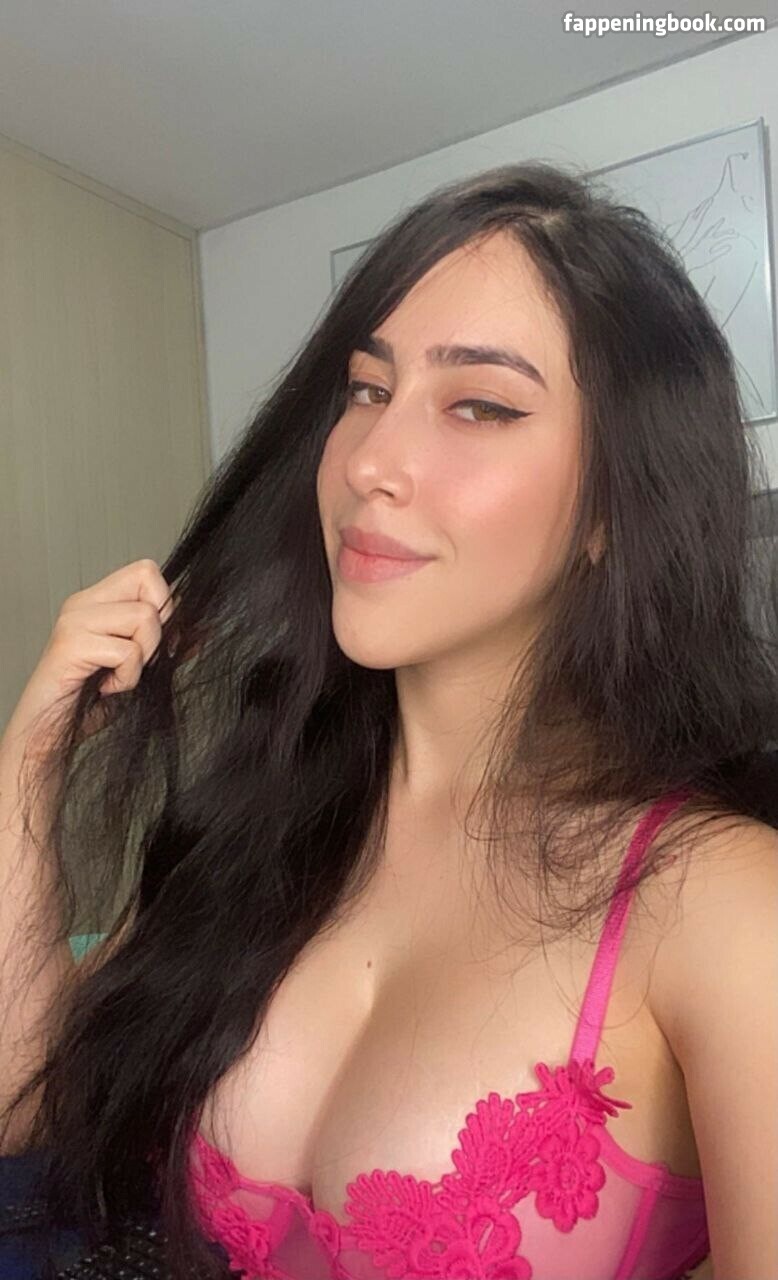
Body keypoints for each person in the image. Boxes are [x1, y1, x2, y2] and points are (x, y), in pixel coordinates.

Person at [1, 161, 776, 1280]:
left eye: (480, 405)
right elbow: (26, 1108)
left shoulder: (723, 900)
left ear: (614, 503)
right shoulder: (256, 821)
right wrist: (31, 761)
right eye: (367, 390)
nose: (370, 463)